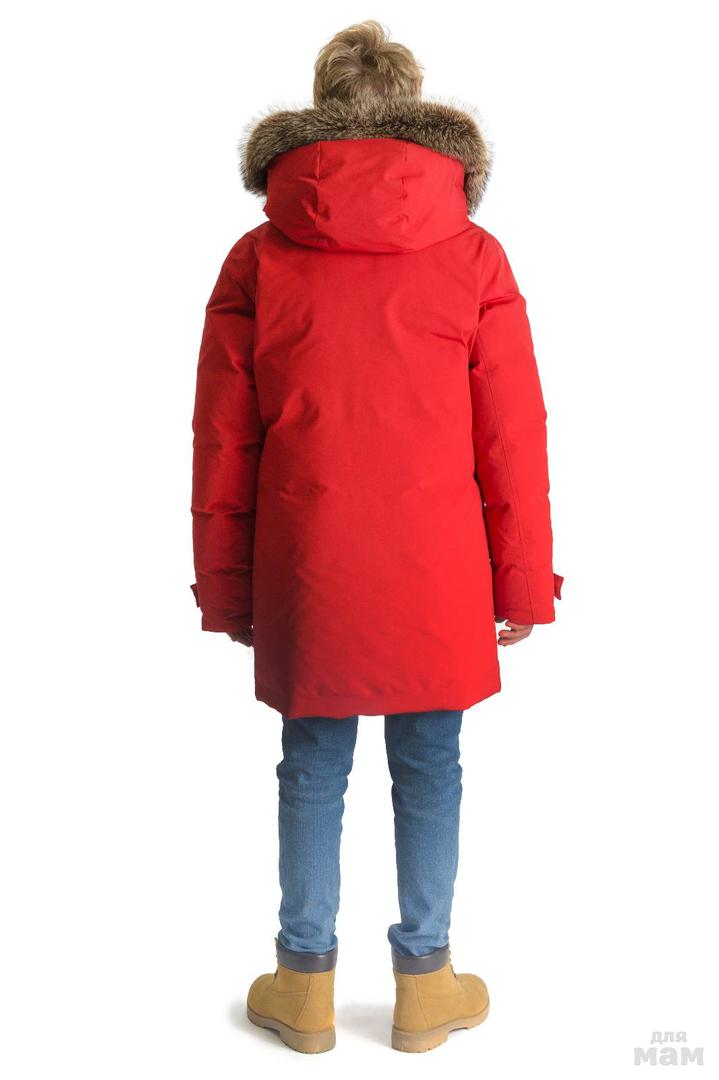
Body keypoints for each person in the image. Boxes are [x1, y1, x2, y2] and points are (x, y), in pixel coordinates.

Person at [190, 19, 562, 1055]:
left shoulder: (258, 259)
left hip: (307, 563)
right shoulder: (473, 254)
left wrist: (226, 589)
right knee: (430, 760)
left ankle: (304, 986)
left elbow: (223, 439)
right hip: (437, 564)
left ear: (317, 115)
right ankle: (425, 983)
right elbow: (511, 435)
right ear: (414, 113)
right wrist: (523, 583)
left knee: (311, 762)